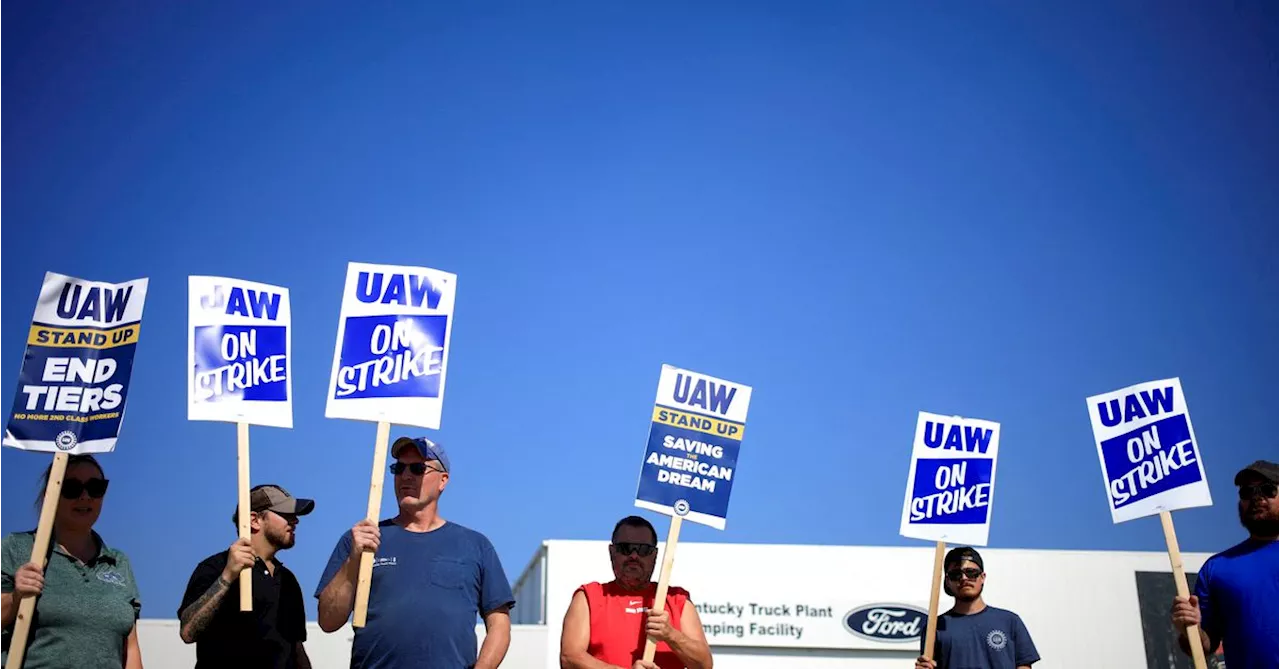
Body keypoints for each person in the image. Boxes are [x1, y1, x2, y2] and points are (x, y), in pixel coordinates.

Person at [315, 436, 514, 669]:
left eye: (418, 468)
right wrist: (353, 561)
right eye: (398, 468)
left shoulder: (475, 545)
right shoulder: (363, 538)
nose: (405, 476)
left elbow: (499, 624)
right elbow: (328, 621)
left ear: (443, 481)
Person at [0, 454, 144, 668]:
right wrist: (16, 597)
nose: (85, 497)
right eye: (72, 488)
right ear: (51, 493)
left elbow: (130, 646)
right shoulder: (17, 548)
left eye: (95, 487)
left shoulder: (118, 562)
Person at [177, 484, 316, 668]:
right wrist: (228, 575)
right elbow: (188, 632)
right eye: (285, 514)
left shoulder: (287, 580)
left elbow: (296, 648)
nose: (295, 521)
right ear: (254, 520)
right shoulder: (215, 567)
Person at [560, 515, 712, 669]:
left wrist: (670, 634)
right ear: (612, 552)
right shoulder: (590, 597)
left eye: (643, 550)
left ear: (655, 555)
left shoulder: (677, 600)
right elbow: (570, 658)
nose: (634, 556)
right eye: (625, 548)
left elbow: (704, 664)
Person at [1171, 459, 1280, 668]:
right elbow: (1205, 645)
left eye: (1267, 489)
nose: (1256, 498)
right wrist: (1189, 629)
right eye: (1247, 492)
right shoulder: (1217, 569)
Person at [914, 547, 1039, 669]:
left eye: (971, 573)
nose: (964, 578)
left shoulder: (1010, 621)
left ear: (983, 577)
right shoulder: (934, 628)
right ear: (947, 581)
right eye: (956, 574)